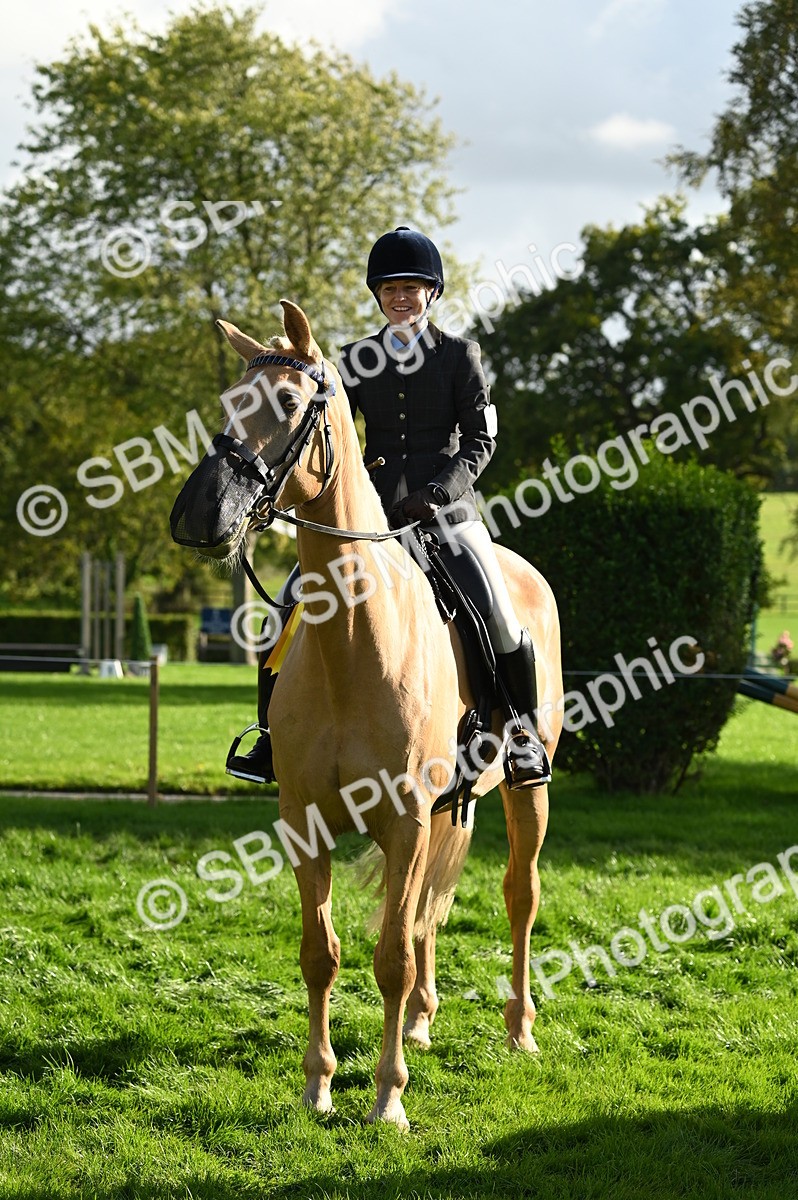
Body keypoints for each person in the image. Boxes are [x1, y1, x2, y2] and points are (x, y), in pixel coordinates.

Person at [226, 227, 549, 788]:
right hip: (368, 517)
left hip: (447, 516)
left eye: (413, 287)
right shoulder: (352, 360)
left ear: (432, 293)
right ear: (378, 295)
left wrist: (437, 494)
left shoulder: (460, 357)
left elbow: (481, 441)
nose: (402, 297)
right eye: (391, 288)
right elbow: (325, 431)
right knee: (288, 602)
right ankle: (272, 736)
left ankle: (519, 731)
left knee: (490, 602)